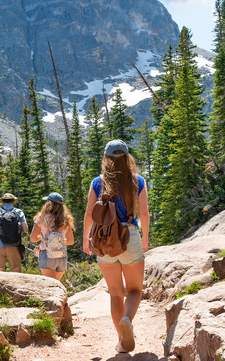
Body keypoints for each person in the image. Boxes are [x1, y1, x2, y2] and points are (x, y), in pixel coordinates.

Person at [82, 139, 150, 354]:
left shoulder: (97, 182)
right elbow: (144, 214)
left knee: (114, 293)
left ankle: (122, 341)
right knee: (135, 290)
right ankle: (127, 320)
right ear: (127, 157)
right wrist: (145, 238)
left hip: (104, 240)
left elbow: (88, 214)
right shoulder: (137, 181)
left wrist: (86, 240)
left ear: (106, 158)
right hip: (129, 235)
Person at [29, 192, 75, 281]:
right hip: (61, 255)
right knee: (57, 284)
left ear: (48, 204)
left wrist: (44, 238)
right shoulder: (66, 220)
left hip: (47, 255)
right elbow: (70, 241)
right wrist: (59, 240)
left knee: (51, 287)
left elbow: (33, 239)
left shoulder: (42, 218)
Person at [0, 193, 29, 272]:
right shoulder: (18, 212)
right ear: (13, 202)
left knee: (0, 271)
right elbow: (26, 229)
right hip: (14, 245)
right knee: (16, 270)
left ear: (2, 202)